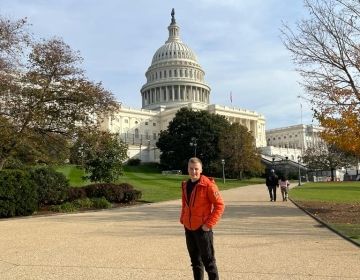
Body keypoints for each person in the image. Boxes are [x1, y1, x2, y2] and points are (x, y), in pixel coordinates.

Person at [180, 157, 225, 280]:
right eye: (191, 168)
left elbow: (219, 205)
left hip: (202, 229)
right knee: (195, 262)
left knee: (209, 263)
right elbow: (185, 203)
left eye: (196, 169)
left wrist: (208, 224)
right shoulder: (185, 185)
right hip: (189, 228)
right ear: (188, 169)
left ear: (201, 170)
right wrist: (182, 218)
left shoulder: (208, 185)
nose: (193, 171)